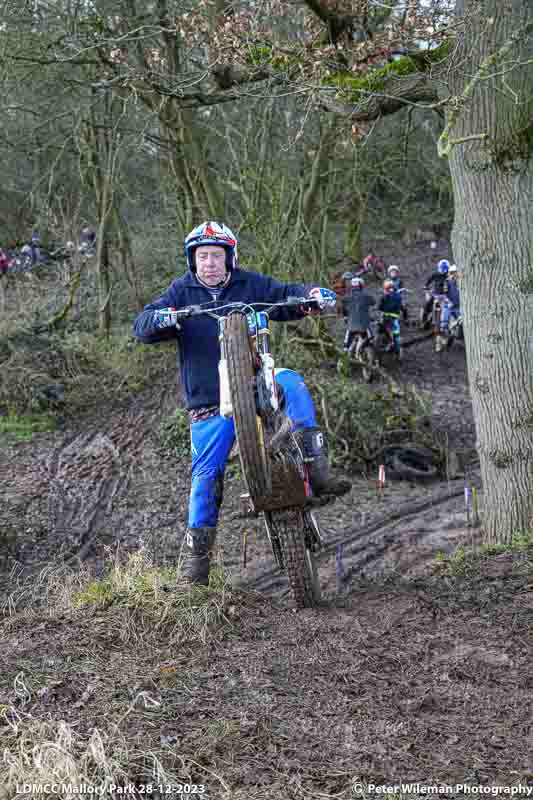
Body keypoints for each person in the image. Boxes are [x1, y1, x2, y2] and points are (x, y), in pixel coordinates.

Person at [133, 221, 349, 585]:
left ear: (229, 258)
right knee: (204, 481)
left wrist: (311, 296)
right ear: (193, 261)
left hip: (256, 386)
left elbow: (284, 295)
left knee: (292, 383)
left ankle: (317, 469)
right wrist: (159, 319)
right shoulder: (179, 293)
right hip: (209, 402)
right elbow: (142, 325)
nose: (210, 264)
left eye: (216, 256)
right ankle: (195, 572)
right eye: (202, 257)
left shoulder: (249, 284)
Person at [342, 276, 376, 351]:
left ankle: (344, 355)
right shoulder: (366, 296)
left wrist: (345, 317)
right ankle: (376, 357)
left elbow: (343, 308)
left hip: (351, 326)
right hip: (363, 326)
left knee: (346, 343)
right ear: (361, 286)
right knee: (371, 338)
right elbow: (373, 302)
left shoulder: (346, 297)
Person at [421, 258, 450, 329]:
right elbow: (429, 279)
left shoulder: (448, 276)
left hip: (445, 295)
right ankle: (423, 321)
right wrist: (425, 286)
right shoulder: (435, 274)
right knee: (427, 305)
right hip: (435, 294)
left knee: (448, 307)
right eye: (441, 269)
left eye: (444, 269)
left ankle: (447, 323)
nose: (442, 271)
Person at [378, 279, 402, 355]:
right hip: (394, 317)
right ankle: (397, 350)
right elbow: (399, 306)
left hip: (385, 317)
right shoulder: (398, 296)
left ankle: (384, 343)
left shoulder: (384, 296)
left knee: (381, 329)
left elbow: (380, 307)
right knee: (396, 334)